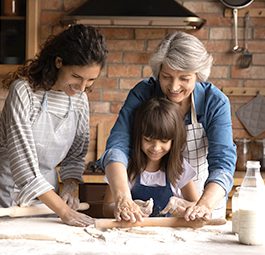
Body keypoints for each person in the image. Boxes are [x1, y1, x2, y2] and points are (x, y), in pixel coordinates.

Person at [100, 31, 236, 223]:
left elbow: (223, 162)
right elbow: (118, 145)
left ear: (198, 75)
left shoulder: (214, 102)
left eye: (184, 79)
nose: (173, 87)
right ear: (158, 72)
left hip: (203, 201)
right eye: (166, 77)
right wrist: (124, 198)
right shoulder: (143, 94)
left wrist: (203, 204)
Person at [0, 24, 108, 226]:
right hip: (7, 201)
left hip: (47, 205)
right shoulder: (23, 92)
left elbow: (75, 156)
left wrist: (70, 186)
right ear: (59, 62)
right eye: (76, 77)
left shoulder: (79, 100)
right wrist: (64, 211)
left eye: (90, 80)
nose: (82, 88)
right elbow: (23, 167)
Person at [103, 97, 199, 218]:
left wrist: (183, 205)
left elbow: (197, 206)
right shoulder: (124, 167)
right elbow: (106, 208)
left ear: (173, 141)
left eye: (164, 141)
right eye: (148, 140)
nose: (156, 148)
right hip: (131, 234)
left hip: (168, 235)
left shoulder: (179, 167)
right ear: (138, 136)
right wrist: (128, 207)